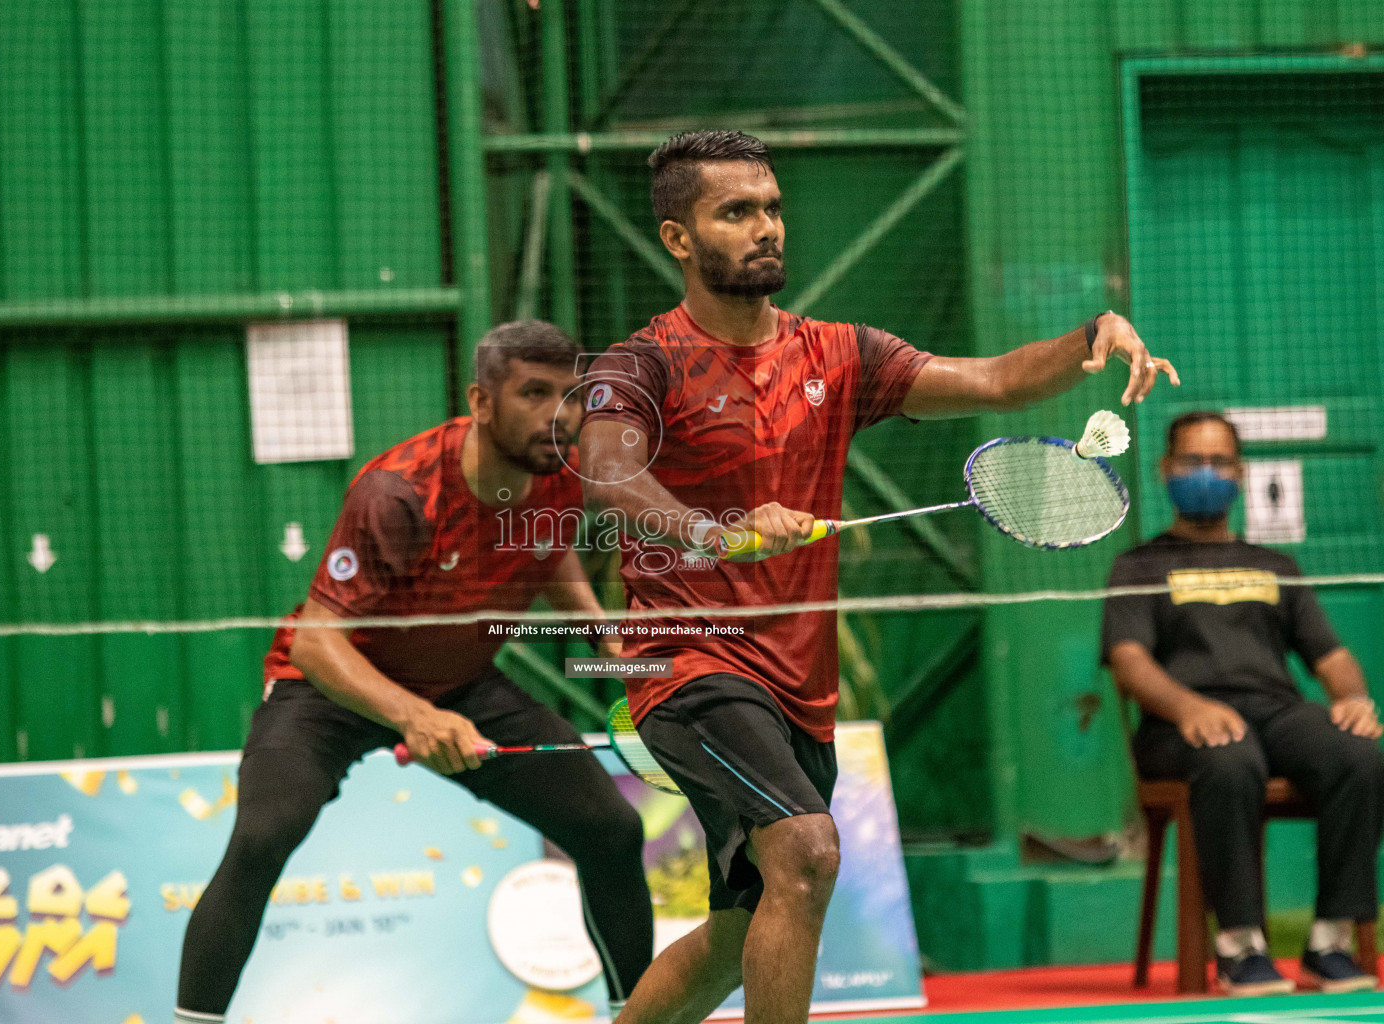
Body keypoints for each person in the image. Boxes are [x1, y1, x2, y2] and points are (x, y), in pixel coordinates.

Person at [577, 129, 1178, 1024]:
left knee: (744, 937)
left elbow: (993, 381)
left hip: (797, 686)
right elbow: (608, 471)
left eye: (772, 207)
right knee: (810, 853)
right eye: (736, 212)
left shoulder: (837, 355)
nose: (766, 227)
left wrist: (1093, 334)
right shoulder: (642, 365)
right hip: (688, 665)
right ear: (677, 239)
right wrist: (718, 533)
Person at [173, 320, 652, 1024]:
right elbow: (316, 644)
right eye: (534, 393)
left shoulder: (558, 473)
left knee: (608, 827)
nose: (559, 414)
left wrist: (601, 632)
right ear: (481, 402)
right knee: (262, 835)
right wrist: (413, 716)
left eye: (571, 395)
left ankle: (642, 1016)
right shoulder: (399, 494)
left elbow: (548, 550)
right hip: (332, 689)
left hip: (460, 683)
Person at [1103, 411, 1383, 997]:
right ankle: (1240, 948)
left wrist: (1354, 699)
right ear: (1165, 469)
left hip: (1275, 711)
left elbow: (1329, 658)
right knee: (1231, 757)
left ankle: (1329, 941)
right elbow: (1130, 663)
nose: (1205, 473)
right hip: (1177, 723)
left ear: (1239, 472)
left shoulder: (1276, 566)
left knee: (1360, 754)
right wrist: (1186, 708)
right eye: (1190, 462)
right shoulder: (1139, 565)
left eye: (1218, 462)